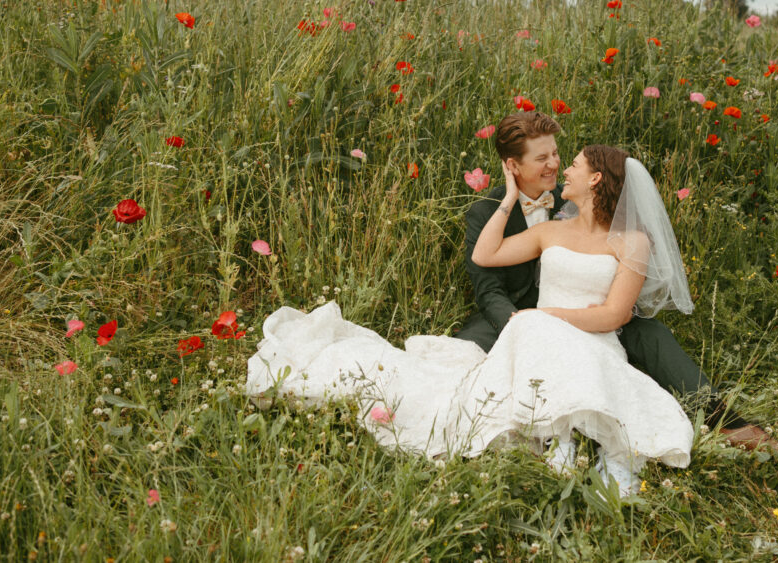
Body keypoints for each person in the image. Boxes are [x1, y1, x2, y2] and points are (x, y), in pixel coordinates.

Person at [247, 145, 699, 495]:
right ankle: (561, 437)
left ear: (596, 178)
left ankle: (571, 438)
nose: (565, 170)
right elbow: (486, 255)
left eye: (575, 165)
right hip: (537, 338)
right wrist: (507, 199)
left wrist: (542, 316)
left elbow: (615, 314)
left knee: (533, 330)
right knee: (521, 342)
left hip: (590, 339)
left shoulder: (631, 241)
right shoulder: (550, 231)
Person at [454, 112, 778, 462]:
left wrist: (601, 310)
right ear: (513, 166)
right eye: (542, 158)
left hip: (591, 313)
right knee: (461, 362)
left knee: (651, 335)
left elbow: (616, 254)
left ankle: (728, 423)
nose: (556, 165)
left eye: (558, 155)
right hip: (519, 315)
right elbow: (488, 290)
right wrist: (525, 325)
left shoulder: (576, 196)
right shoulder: (486, 213)